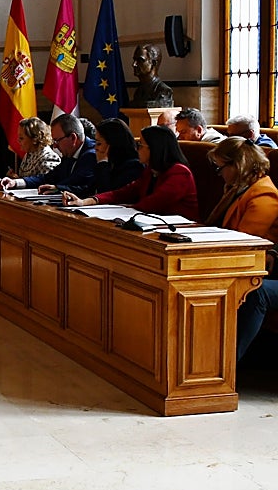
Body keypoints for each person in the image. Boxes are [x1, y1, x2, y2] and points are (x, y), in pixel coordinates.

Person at [205, 138, 278, 360]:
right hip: (238, 257)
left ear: (238, 165)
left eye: (220, 168)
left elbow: (246, 242)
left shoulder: (264, 194)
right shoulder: (238, 189)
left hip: (255, 263)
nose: (219, 174)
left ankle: (222, 368)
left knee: (254, 294)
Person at [61, 124, 198, 219]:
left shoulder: (179, 173)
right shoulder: (151, 171)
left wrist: (119, 209)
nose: (137, 149)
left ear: (155, 149)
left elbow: (152, 204)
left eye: (141, 145)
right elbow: (123, 193)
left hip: (179, 232)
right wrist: (85, 202)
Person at [0, 114, 96, 194]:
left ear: (73, 138)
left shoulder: (91, 154)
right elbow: (48, 178)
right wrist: (15, 183)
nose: (55, 146)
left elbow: (81, 185)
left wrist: (57, 188)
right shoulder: (69, 153)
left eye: (57, 141)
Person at [83, 117, 145, 196]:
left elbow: (106, 194)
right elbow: (90, 189)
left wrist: (102, 163)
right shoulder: (110, 162)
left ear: (113, 144)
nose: (95, 148)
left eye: (99, 143)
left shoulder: (134, 166)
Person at [127, 44, 174, 108]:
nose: (134, 64)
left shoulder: (164, 90)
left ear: (153, 63)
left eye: (140, 60)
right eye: (134, 60)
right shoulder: (138, 92)